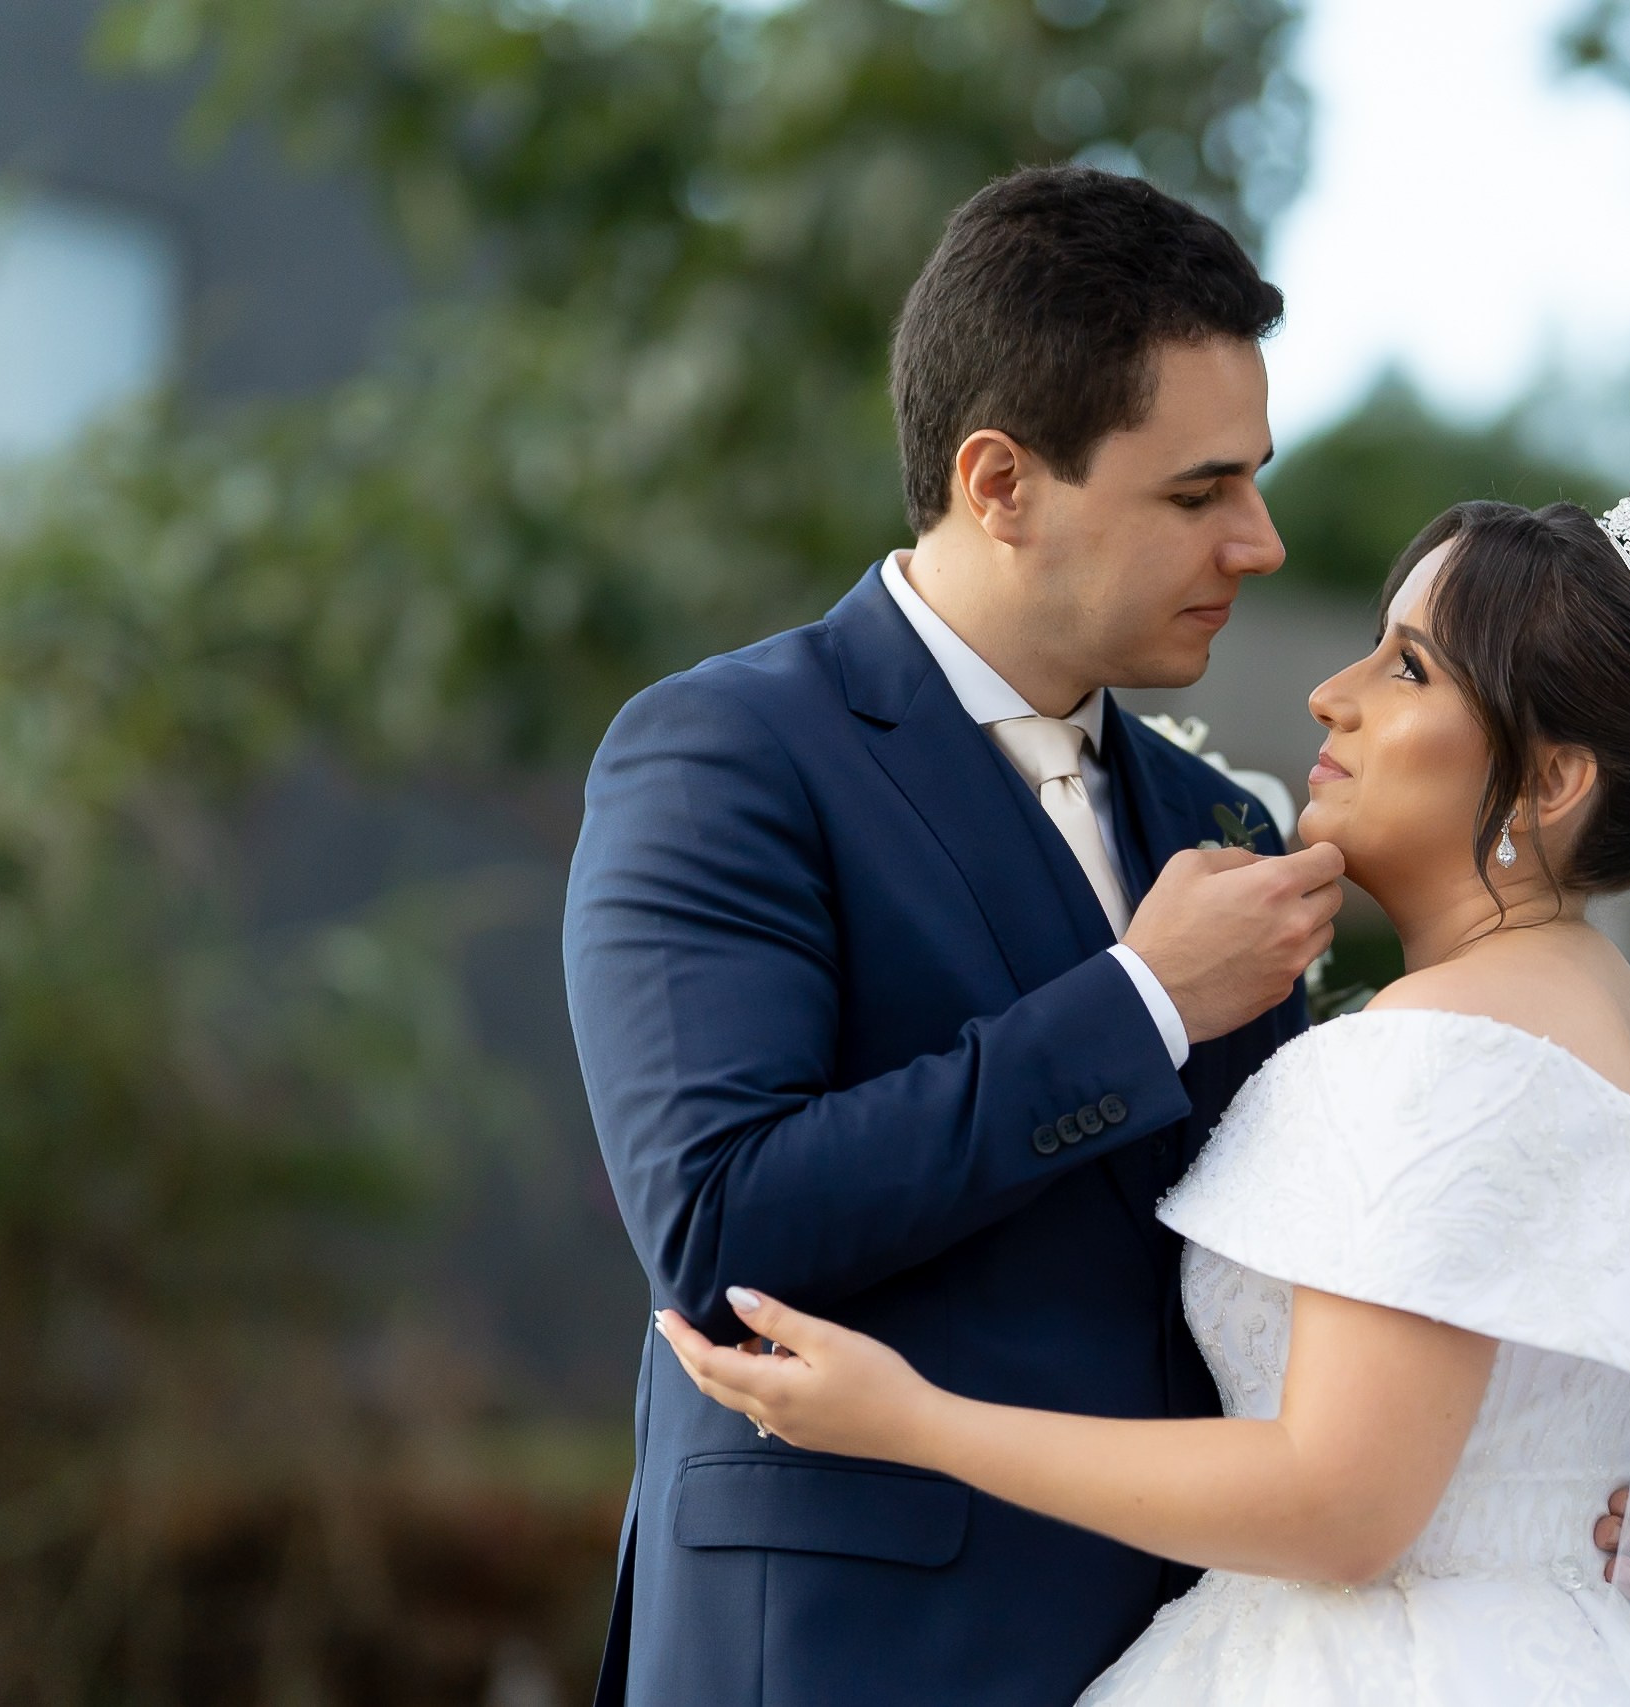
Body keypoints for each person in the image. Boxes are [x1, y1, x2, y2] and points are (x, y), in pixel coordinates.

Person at [658, 487, 1630, 1705]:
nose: (1330, 696)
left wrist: (913, 1420)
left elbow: (1344, 1506)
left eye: (1407, 669)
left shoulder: (1433, 1056)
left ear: (1548, 781)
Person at [562, 166, 1351, 1705]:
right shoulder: (723, 756)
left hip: (1192, 1654)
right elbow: (722, 1230)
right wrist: (1140, 1006)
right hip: (846, 1654)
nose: (1256, 542)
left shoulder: (1222, 825)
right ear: (999, 482)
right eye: (1198, 494)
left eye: (1252, 479)